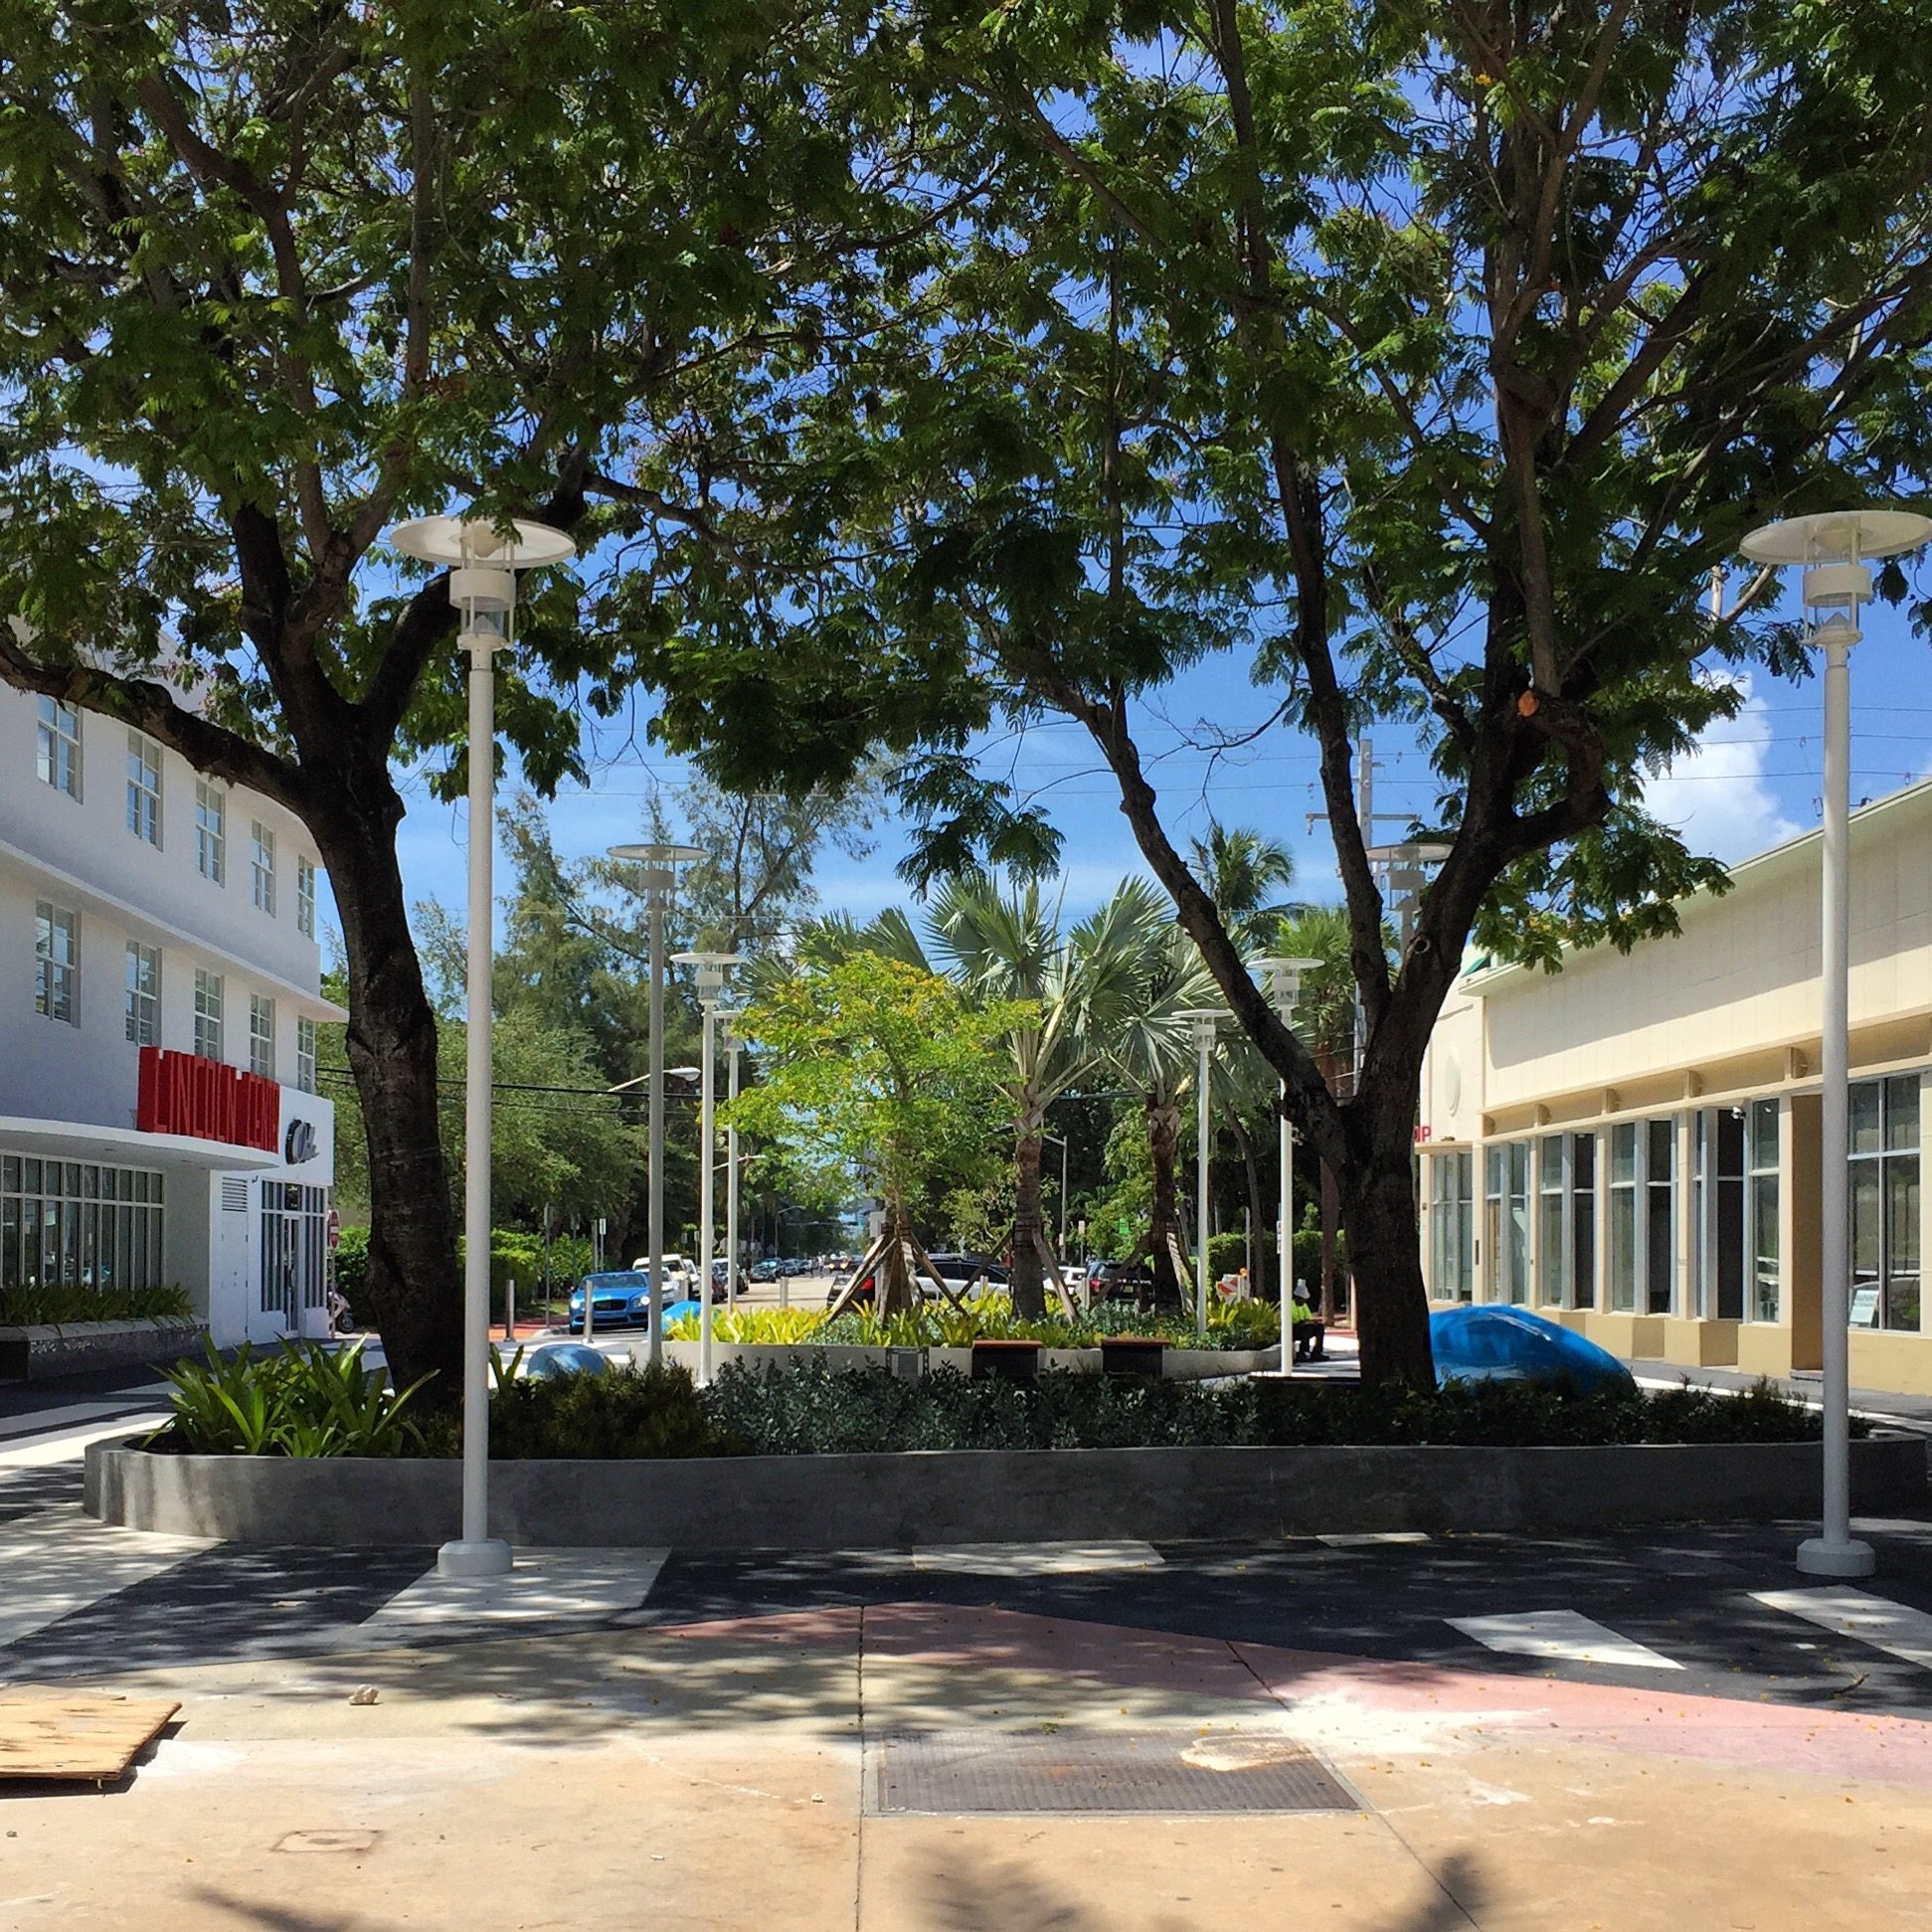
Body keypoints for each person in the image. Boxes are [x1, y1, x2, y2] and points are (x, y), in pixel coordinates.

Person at [1291, 1279, 1325, 1362]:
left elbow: (1308, 1317)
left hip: (1304, 1326)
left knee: (1319, 1327)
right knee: (1307, 1329)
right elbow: (1292, 1320)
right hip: (1293, 1329)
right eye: (1302, 1299)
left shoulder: (1304, 1305)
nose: (1304, 1301)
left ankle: (1317, 1352)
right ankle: (1302, 1353)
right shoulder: (1290, 1305)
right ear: (1297, 1297)